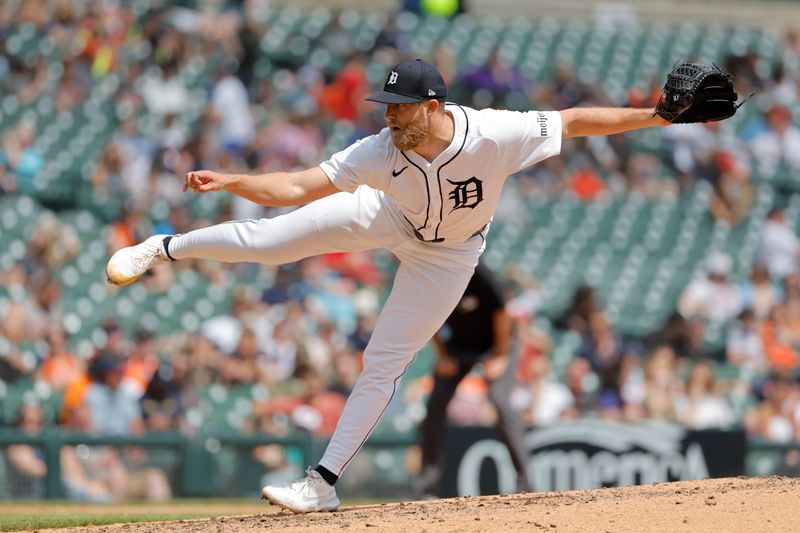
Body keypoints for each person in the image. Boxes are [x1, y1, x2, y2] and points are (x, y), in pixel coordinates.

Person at [105, 58, 678, 513]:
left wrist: (656, 117)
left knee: (383, 362)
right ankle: (163, 248)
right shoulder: (379, 150)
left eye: (401, 109)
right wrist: (236, 180)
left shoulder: (493, 133)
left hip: (450, 256)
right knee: (269, 241)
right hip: (383, 214)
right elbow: (297, 187)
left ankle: (322, 484)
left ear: (432, 106)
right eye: (386, 107)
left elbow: (573, 121)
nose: (390, 118)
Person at [416, 262, 530, 498]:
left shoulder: (478, 271)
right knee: (435, 403)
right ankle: (428, 485)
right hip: (459, 349)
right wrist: (443, 356)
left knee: (500, 402)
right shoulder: (436, 273)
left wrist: (500, 356)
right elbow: (429, 317)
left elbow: (502, 312)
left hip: (497, 345)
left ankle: (525, 481)